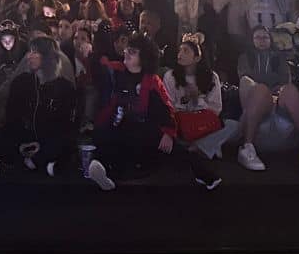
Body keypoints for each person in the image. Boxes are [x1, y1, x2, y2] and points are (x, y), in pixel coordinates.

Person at [88, 34, 218, 191]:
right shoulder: (118, 71)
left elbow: (165, 107)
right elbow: (102, 67)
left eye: (132, 52)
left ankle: (206, 176)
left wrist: (168, 132)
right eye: (127, 50)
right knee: (106, 137)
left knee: (173, 148)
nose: (127, 53)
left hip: (146, 127)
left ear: (143, 58)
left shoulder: (152, 81)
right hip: (120, 124)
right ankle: (101, 168)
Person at [0, 37, 76, 177]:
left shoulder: (64, 87)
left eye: (35, 52)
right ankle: (31, 163)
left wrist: (42, 144)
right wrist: (21, 143)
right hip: (24, 138)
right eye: (29, 52)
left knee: (63, 144)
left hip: (48, 141)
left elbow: (64, 124)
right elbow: (12, 117)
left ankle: (21, 166)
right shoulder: (21, 82)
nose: (30, 56)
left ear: (47, 57)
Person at [235, 26, 299, 174]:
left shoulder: (279, 57)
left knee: (290, 90)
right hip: (256, 101)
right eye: (258, 37)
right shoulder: (245, 57)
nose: (262, 41)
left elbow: (284, 80)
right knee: (259, 89)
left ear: (270, 40)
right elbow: (245, 77)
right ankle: (247, 147)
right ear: (252, 40)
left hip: (278, 100)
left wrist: (274, 91)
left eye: (265, 37)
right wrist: (267, 87)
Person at [162, 40, 240, 160]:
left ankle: (199, 146)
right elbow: (168, 106)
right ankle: (207, 146)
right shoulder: (170, 76)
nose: (180, 54)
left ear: (197, 58)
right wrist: (187, 100)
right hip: (180, 123)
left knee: (234, 125)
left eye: (186, 51)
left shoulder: (212, 77)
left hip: (203, 123)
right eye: (179, 50)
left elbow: (216, 109)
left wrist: (197, 100)